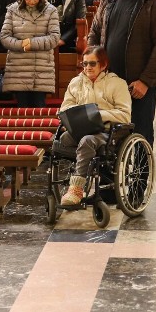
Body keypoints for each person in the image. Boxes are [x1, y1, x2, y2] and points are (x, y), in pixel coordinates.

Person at [87, 0, 156, 145]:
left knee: (140, 135)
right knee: (108, 137)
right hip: (109, 82)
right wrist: (95, 64)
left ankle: (141, 175)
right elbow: (94, 33)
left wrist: (145, 81)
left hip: (138, 86)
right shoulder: (109, 0)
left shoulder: (155, 4)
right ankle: (112, 176)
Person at [57, 45, 132, 205]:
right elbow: (65, 107)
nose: (88, 68)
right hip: (80, 128)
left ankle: (76, 190)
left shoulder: (117, 84)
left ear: (103, 65)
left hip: (105, 131)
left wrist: (97, 115)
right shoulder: (76, 83)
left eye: (92, 64)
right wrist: (77, 116)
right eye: (85, 64)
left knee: (87, 141)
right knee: (62, 140)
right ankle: (71, 179)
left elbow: (125, 115)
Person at [0, 0, 61, 107]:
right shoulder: (12, 10)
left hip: (41, 68)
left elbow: (54, 37)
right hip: (19, 68)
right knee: (22, 112)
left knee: (39, 109)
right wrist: (21, 44)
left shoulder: (51, 11)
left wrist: (31, 43)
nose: (32, 1)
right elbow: (4, 36)